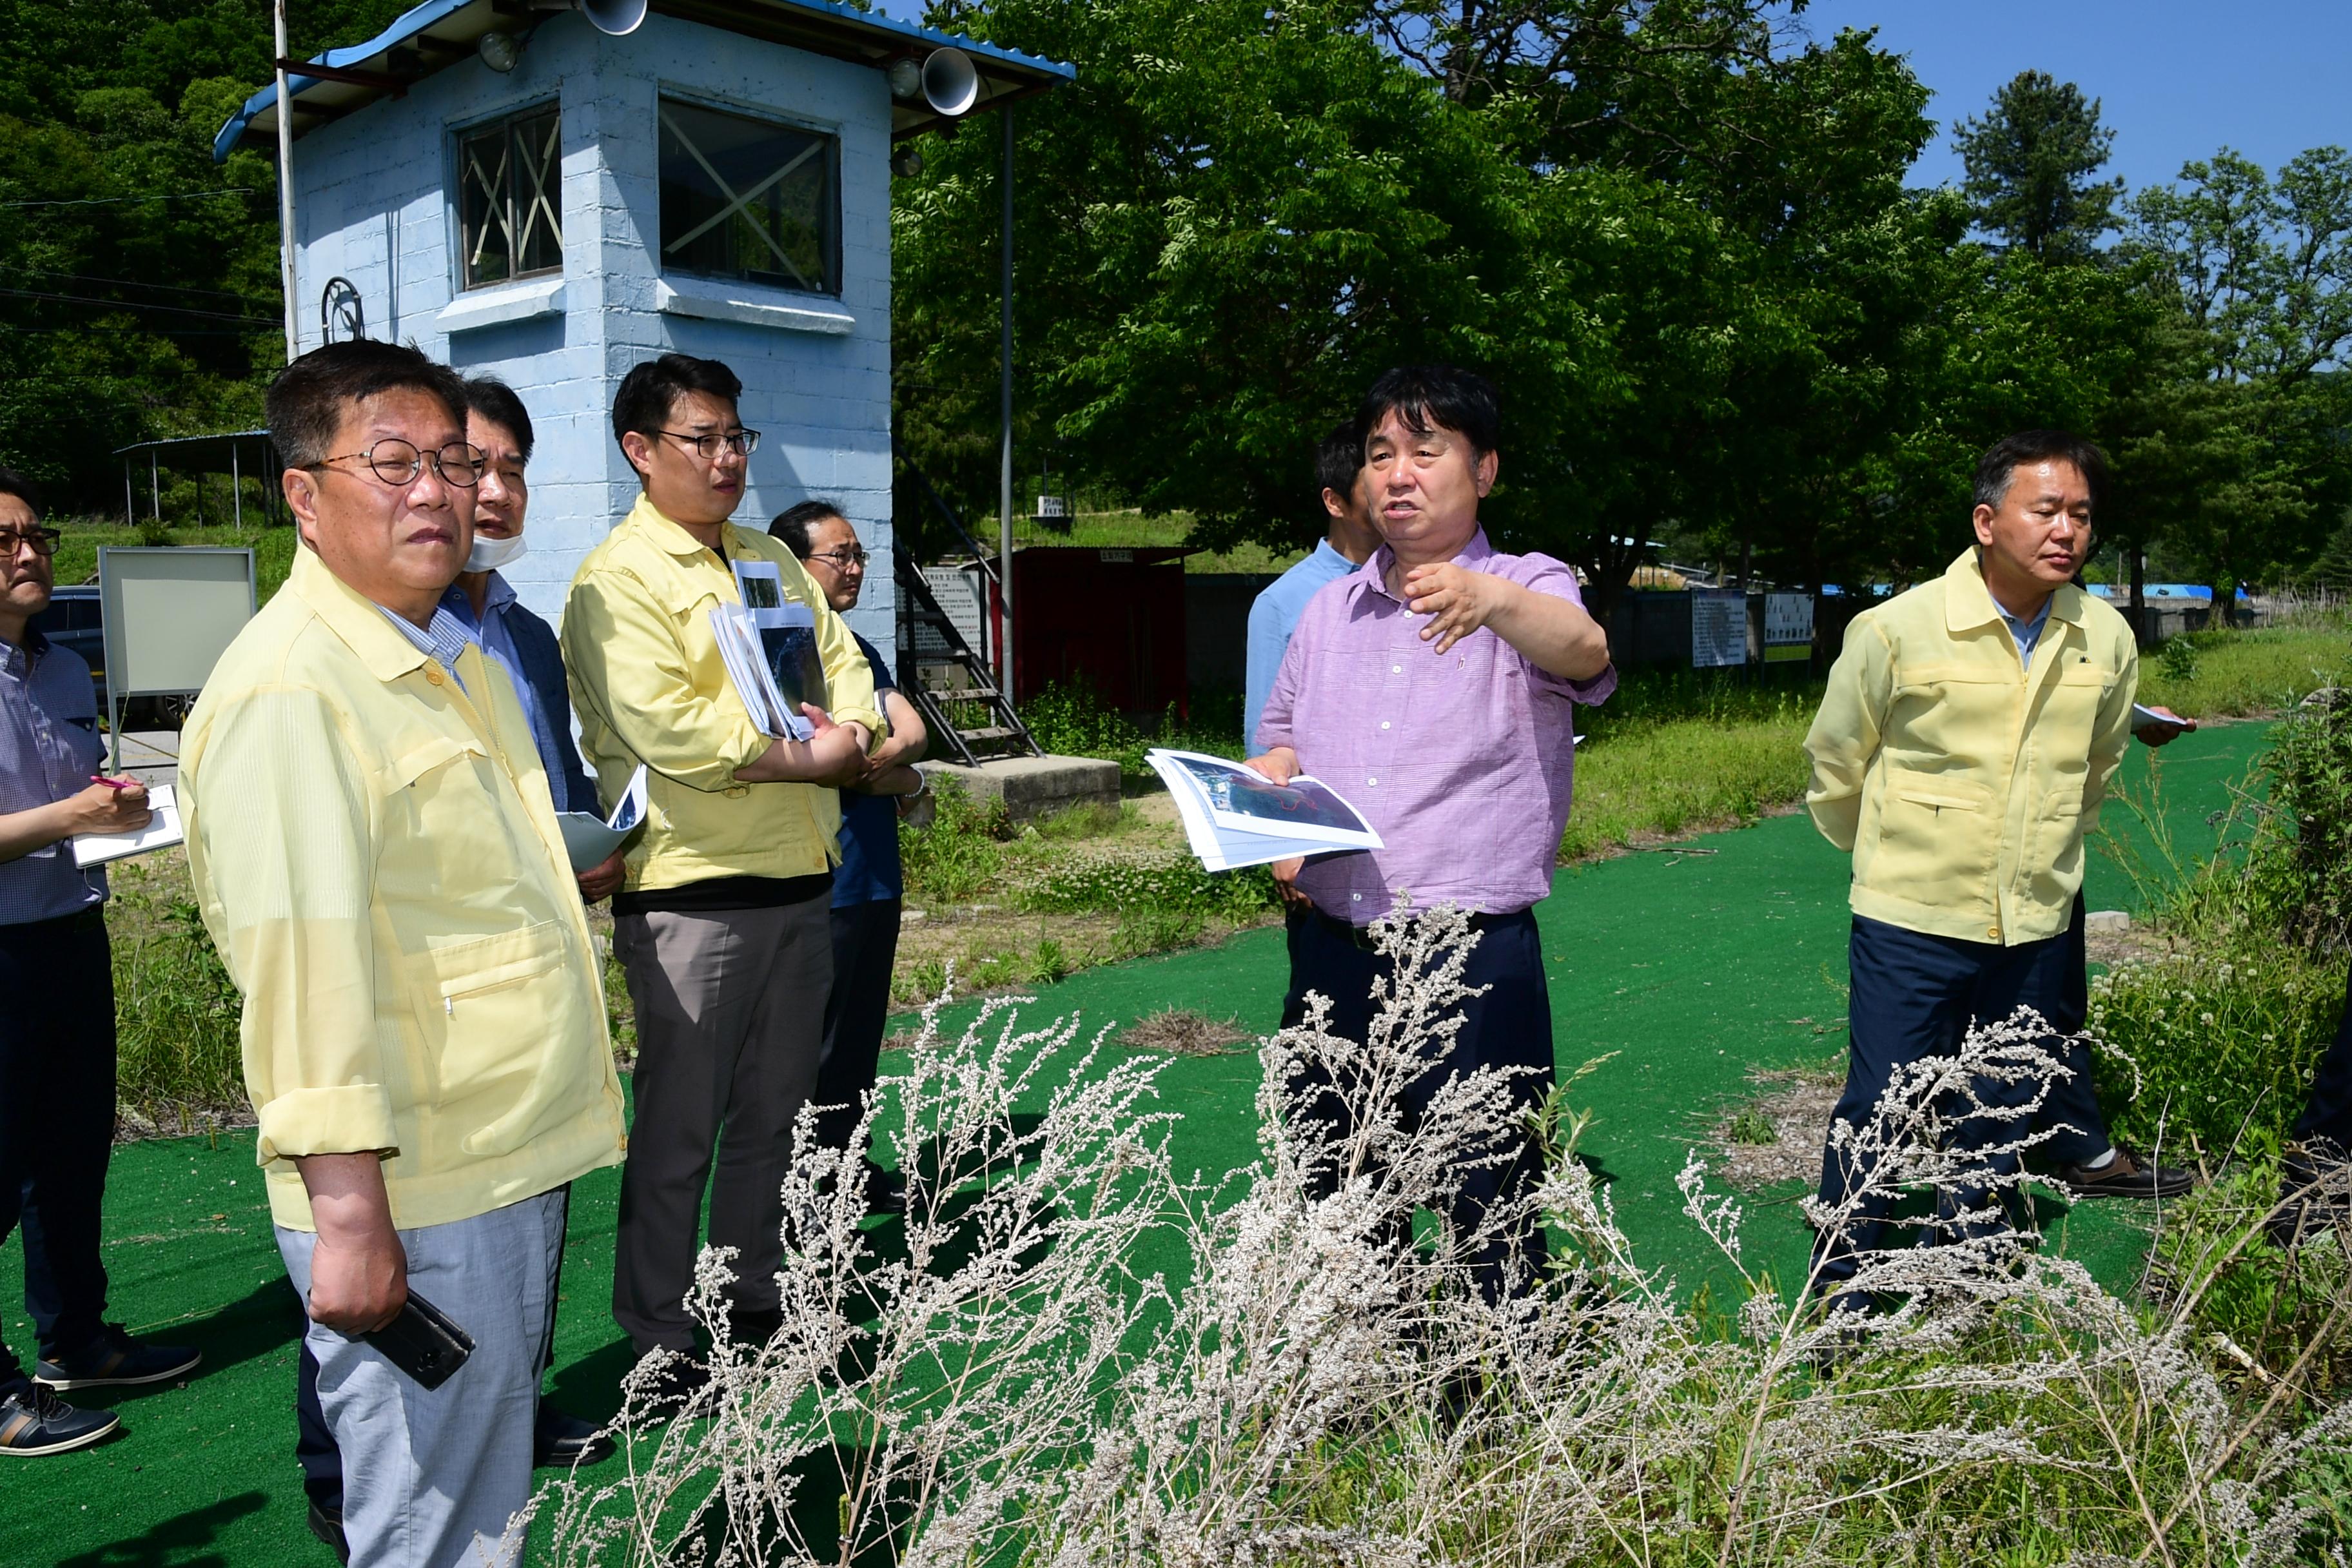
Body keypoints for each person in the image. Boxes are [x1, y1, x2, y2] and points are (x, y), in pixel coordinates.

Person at [179, 340, 628, 1568]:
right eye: (392, 462)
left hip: (490, 1149)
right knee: (434, 1527)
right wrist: (350, 1216)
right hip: (417, 1183)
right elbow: (304, 972)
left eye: (450, 459)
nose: (437, 490)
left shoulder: (440, 653)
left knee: (482, 1499)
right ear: (303, 495)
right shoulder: (296, 692)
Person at [1803, 429, 2195, 1316]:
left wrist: (2052, 844)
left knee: (2004, 1094)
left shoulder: (2103, 636)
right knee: (1883, 1102)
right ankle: (1844, 1279)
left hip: (2035, 914)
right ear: (1987, 521)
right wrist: (1887, 855)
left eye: (2082, 515)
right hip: (1912, 914)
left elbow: (2096, 767)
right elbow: (1836, 759)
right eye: (2045, 510)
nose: (2067, 531)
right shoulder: (1897, 628)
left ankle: (1969, 1266)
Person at [1248, 366, 1616, 1300]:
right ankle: (1359, 1385)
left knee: (1485, 1193)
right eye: (1381, 455)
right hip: (1331, 942)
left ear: (1483, 469)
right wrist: (1268, 796)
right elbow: (1280, 735)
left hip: (1469, 954)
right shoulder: (1329, 610)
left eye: (1426, 449)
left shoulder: (1526, 584)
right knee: (1339, 1186)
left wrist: (1488, 604)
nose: (1397, 474)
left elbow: (1586, 650)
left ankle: (1499, 1398)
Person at [562, 355, 880, 1379]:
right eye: (702, 439)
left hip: (798, 878)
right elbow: (672, 726)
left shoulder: (767, 560)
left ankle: (753, 1301)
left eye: (736, 436)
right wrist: (814, 753)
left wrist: (856, 732)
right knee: (679, 1132)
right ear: (640, 452)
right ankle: (658, 1337)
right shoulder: (616, 580)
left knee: (774, 1121)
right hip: (690, 891)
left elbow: (844, 668)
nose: (728, 456)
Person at [0, 468, 199, 1456]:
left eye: (39, 536)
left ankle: (76, 1339)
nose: (30, 554)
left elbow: (82, 803)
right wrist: (69, 817)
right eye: (6, 540)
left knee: (71, 1157)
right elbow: (51, 817)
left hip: (70, 933)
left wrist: (118, 808)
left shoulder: (65, 669)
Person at [769, 501, 931, 1211]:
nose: (856, 567)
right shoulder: (784, 653)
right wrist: (902, 776)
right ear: (792, 566)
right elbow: (830, 764)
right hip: (819, 878)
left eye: (859, 553)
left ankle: (851, 1170)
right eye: (839, 555)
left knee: (861, 1040)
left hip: (875, 877)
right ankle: (802, 1190)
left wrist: (896, 766)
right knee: (813, 1047)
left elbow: (910, 732)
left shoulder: (859, 648)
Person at [1242, 422, 1382, 747]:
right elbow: (1266, 741)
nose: (1391, 496)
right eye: (1373, 486)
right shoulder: (1280, 604)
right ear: (1335, 502)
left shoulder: (1429, 583)